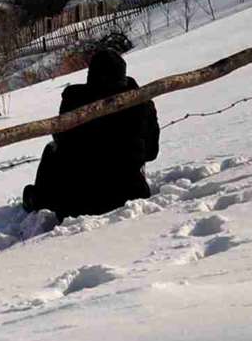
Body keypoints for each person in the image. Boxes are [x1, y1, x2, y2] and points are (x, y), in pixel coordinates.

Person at [21, 47, 160, 220]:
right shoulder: (141, 102)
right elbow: (151, 152)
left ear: (91, 74)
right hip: (131, 194)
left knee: (51, 150)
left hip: (78, 203)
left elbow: (62, 142)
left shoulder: (74, 100)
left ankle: (39, 199)